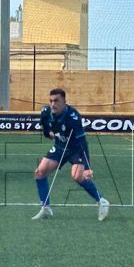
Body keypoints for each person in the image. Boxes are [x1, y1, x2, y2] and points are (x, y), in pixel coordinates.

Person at [32, 88, 109, 221]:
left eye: (56, 101)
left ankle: (102, 201)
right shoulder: (45, 112)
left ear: (64, 102)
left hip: (75, 149)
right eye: (51, 101)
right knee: (39, 172)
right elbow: (45, 127)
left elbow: (82, 142)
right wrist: (49, 133)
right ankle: (45, 208)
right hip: (59, 147)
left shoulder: (73, 117)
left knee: (77, 176)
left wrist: (87, 167)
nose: (53, 104)